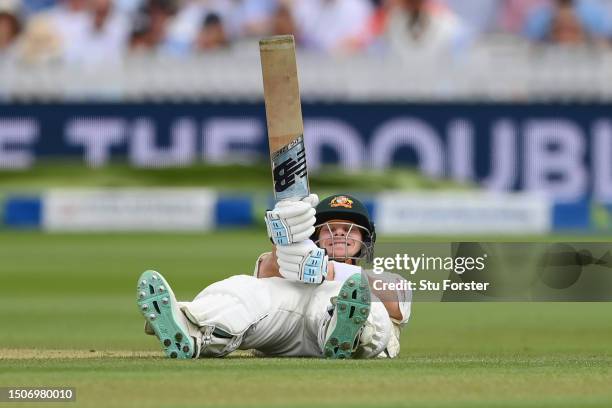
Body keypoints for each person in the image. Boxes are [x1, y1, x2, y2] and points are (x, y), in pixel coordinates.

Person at [136, 194, 411, 359]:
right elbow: (267, 269)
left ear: (366, 240)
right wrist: (287, 242)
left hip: (329, 319)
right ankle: (192, 329)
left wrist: (329, 272)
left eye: (349, 229)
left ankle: (345, 334)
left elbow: (396, 296)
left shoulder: (383, 278)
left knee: (359, 304)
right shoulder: (290, 263)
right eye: (329, 229)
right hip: (287, 326)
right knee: (243, 289)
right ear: (314, 237)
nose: (338, 233)